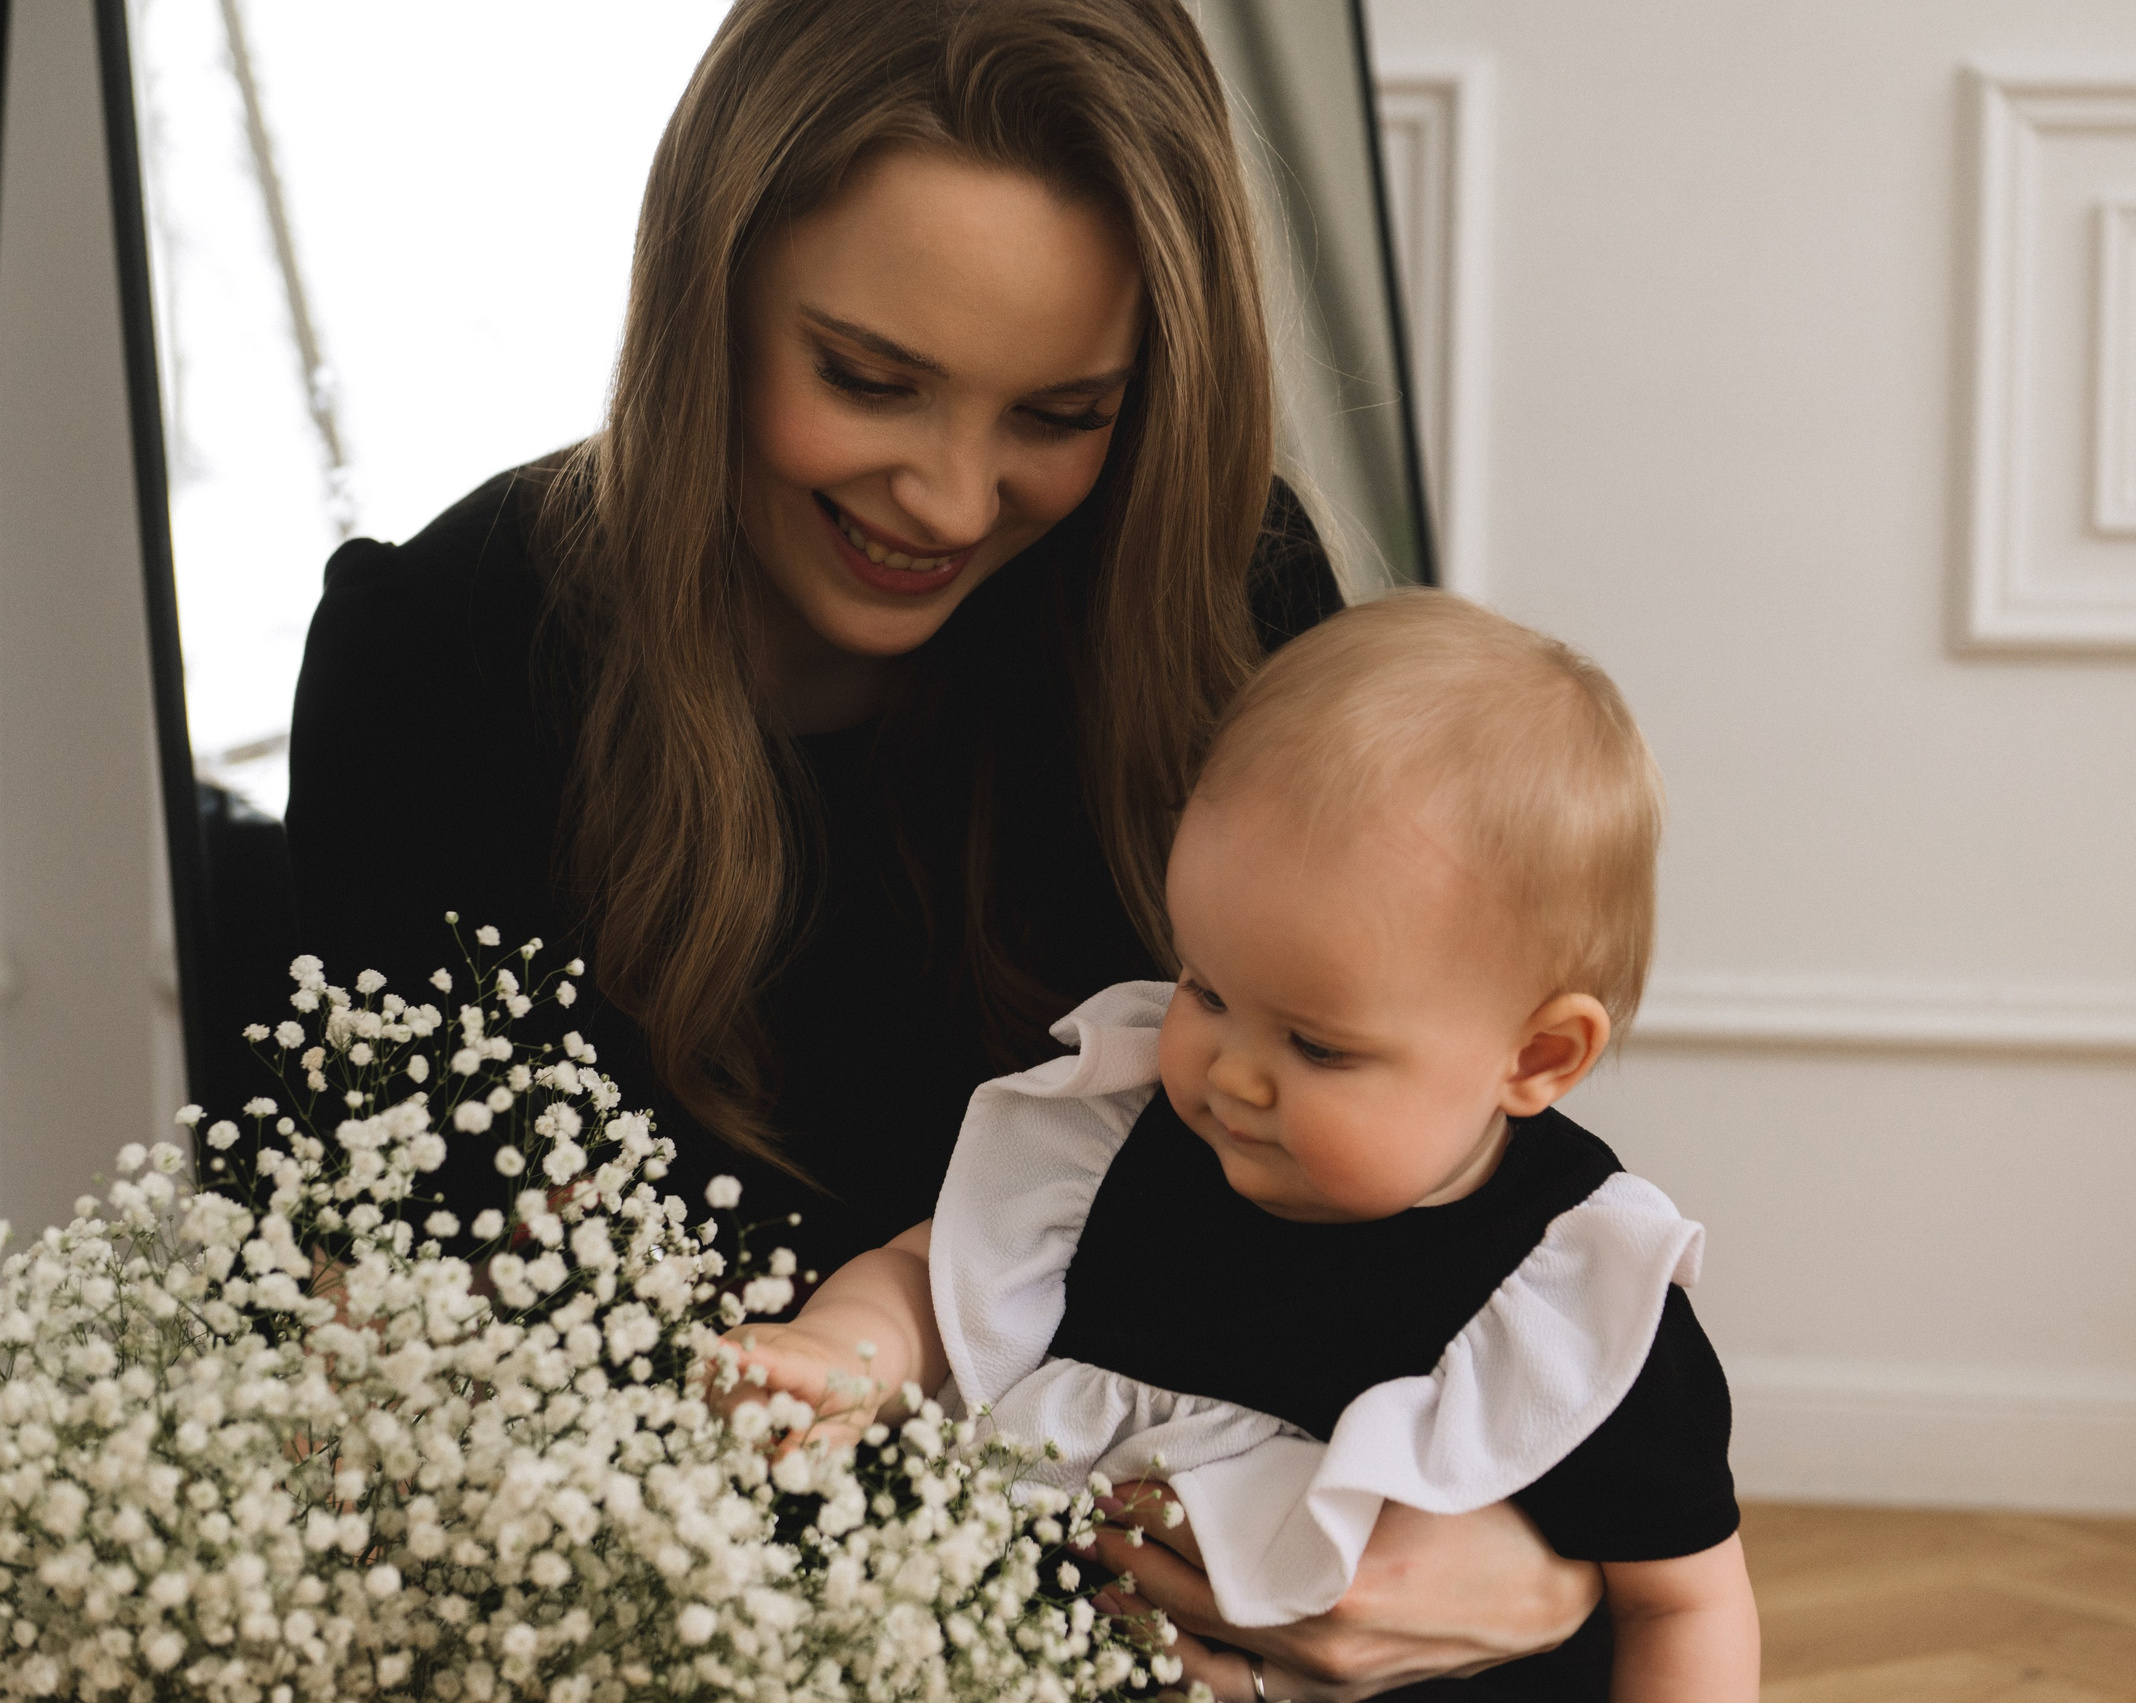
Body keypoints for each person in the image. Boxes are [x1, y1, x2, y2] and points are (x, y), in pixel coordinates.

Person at [285, 2, 1598, 1694]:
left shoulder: (1216, 590)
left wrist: (1536, 1561)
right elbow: (422, 1365)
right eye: (868, 379)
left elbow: (1443, 1152)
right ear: (710, 295)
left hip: (1208, 1567)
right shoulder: (443, 658)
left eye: (1061, 411)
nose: (955, 501)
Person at [731, 592, 1761, 1701]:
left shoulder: (1567, 1303)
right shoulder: (1124, 1144)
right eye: (1205, 987)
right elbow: (931, 1279)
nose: (1229, 1070)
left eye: (1316, 1045)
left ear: (1538, 1054)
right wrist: (837, 1351)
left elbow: (1684, 1601)